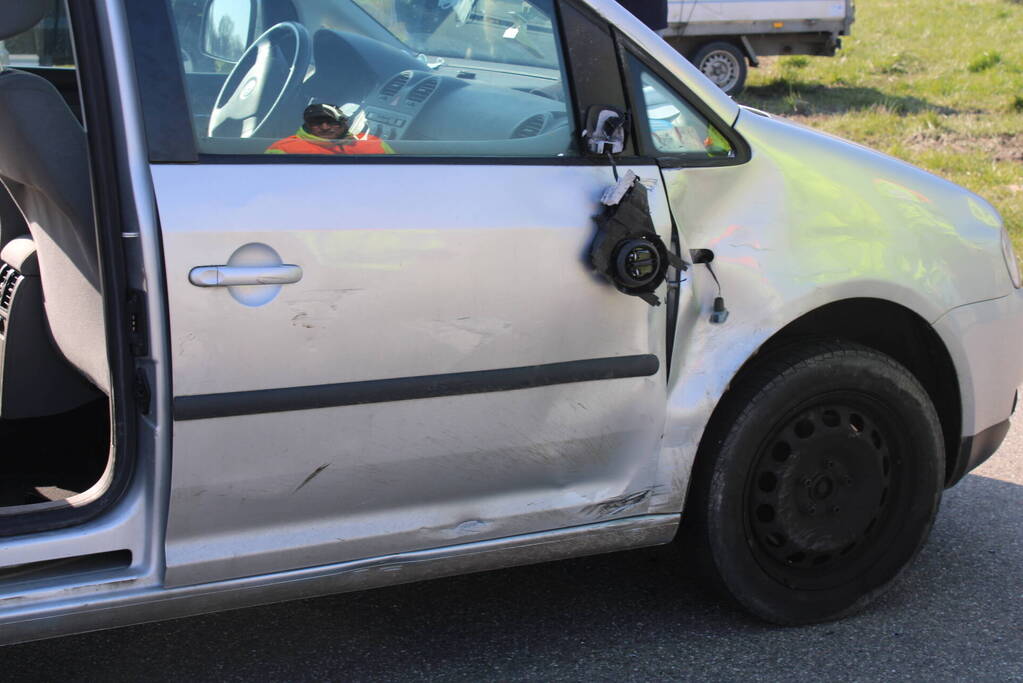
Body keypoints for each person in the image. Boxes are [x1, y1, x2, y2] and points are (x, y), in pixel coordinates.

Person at [266, 103, 394, 155]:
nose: (325, 127)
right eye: (317, 123)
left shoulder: (375, 144)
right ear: (308, 125)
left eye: (332, 122)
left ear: (345, 123)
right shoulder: (283, 149)